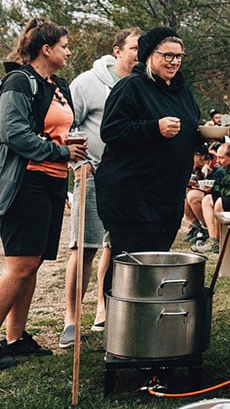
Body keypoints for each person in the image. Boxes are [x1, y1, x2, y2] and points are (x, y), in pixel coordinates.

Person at [0, 19, 87, 368]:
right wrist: (62, 153)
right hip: (26, 183)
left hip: (52, 183)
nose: (68, 51)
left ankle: (15, 339)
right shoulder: (19, 82)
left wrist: (73, 153)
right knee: (19, 265)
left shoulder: (58, 85)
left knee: (32, 265)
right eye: (64, 45)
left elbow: (59, 130)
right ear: (46, 49)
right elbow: (14, 133)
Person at [95, 27, 202, 295]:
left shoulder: (181, 91)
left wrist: (203, 141)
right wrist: (154, 128)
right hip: (132, 196)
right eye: (167, 55)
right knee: (128, 263)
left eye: (179, 56)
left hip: (167, 195)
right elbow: (111, 131)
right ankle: (120, 326)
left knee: (156, 262)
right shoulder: (131, 87)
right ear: (148, 56)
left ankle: (145, 325)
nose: (174, 61)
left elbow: (187, 128)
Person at [58, 26, 140, 349]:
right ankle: (71, 319)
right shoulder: (87, 83)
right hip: (92, 176)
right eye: (134, 47)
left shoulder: (140, 86)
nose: (139, 53)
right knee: (85, 248)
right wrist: (78, 164)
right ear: (118, 50)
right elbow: (67, 124)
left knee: (115, 247)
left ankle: (103, 310)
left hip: (128, 181)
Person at [193, 142, 230, 254]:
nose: (218, 161)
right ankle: (213, 240)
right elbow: (222, 186)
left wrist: (217, 189)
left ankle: (220, 241)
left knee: (219, 201)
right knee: (207, 199)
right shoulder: (228, 166)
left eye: (221, 158)